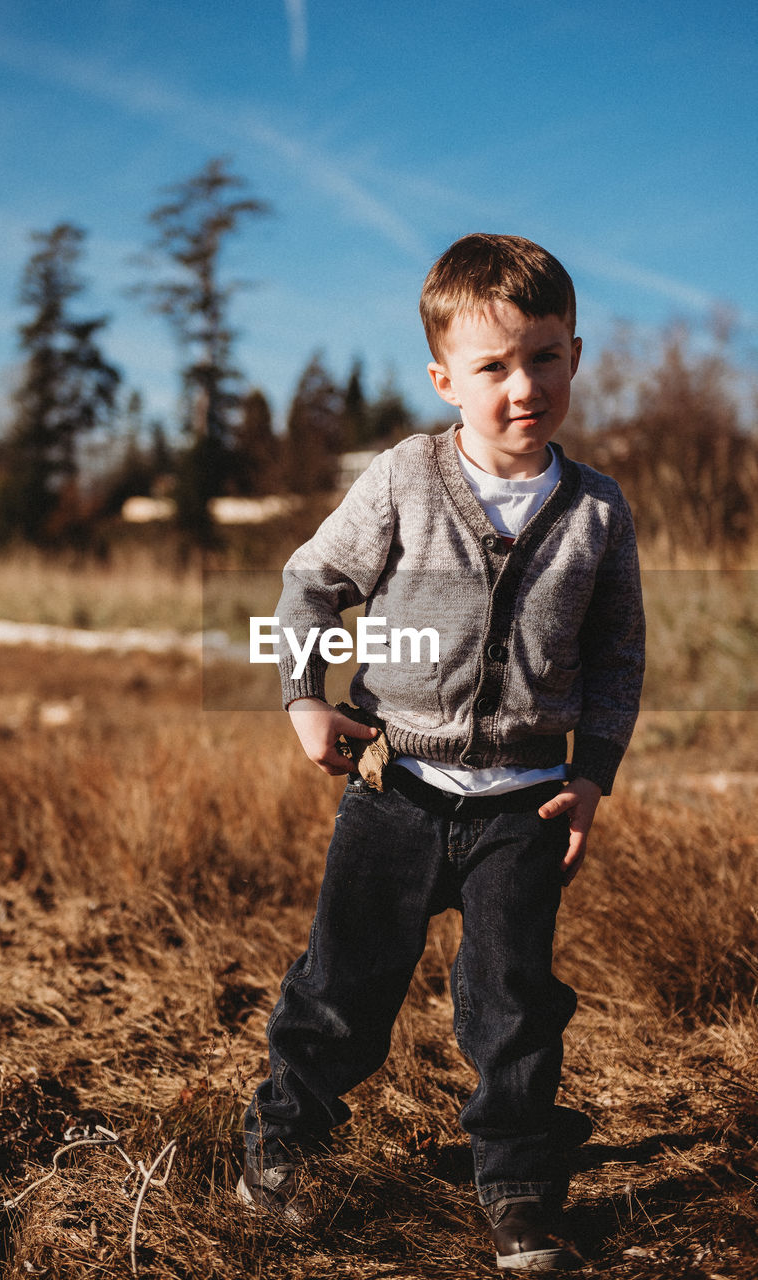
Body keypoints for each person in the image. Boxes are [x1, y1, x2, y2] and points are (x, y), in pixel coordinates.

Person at [238, 233, 645, 1271]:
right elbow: (310, 581)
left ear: (575, 355)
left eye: (544, 356)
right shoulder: (405, 478)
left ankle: (516, 1184)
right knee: (343, 984)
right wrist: (304, 696)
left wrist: (591, 775)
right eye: (494, 366)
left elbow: (615, 652)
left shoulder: (596, 510)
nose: (524, 386)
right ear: (444, 378)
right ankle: (281, 1141)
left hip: (526, 802)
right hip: (398, 788)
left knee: (515, 1007)